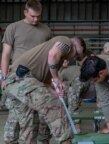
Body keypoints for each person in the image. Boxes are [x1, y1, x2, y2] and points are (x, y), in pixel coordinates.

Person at [4, 36, 86, 144]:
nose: (75, 57)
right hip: (22, 77)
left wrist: (54, 92)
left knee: (28, 122)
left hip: (19, 81)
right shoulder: (67, 42)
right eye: (77, 52)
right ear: (74, 44)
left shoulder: (59, 61)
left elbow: (45, 82)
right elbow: (53, 54)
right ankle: (65, 141)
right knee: (54, 105)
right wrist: (56, 78)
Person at [1, 0, 51, 143]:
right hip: (17, 77)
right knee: (16, 114)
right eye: (32, 16)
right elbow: (5, 54)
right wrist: (3, 78)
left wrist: (49, 80)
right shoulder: (13, 28)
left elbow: (49, 56)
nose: (36, 19)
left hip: (38, 79)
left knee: (36, 116)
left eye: (38, 16)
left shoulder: (46, 30)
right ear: (25, 12)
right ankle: (11, 141)